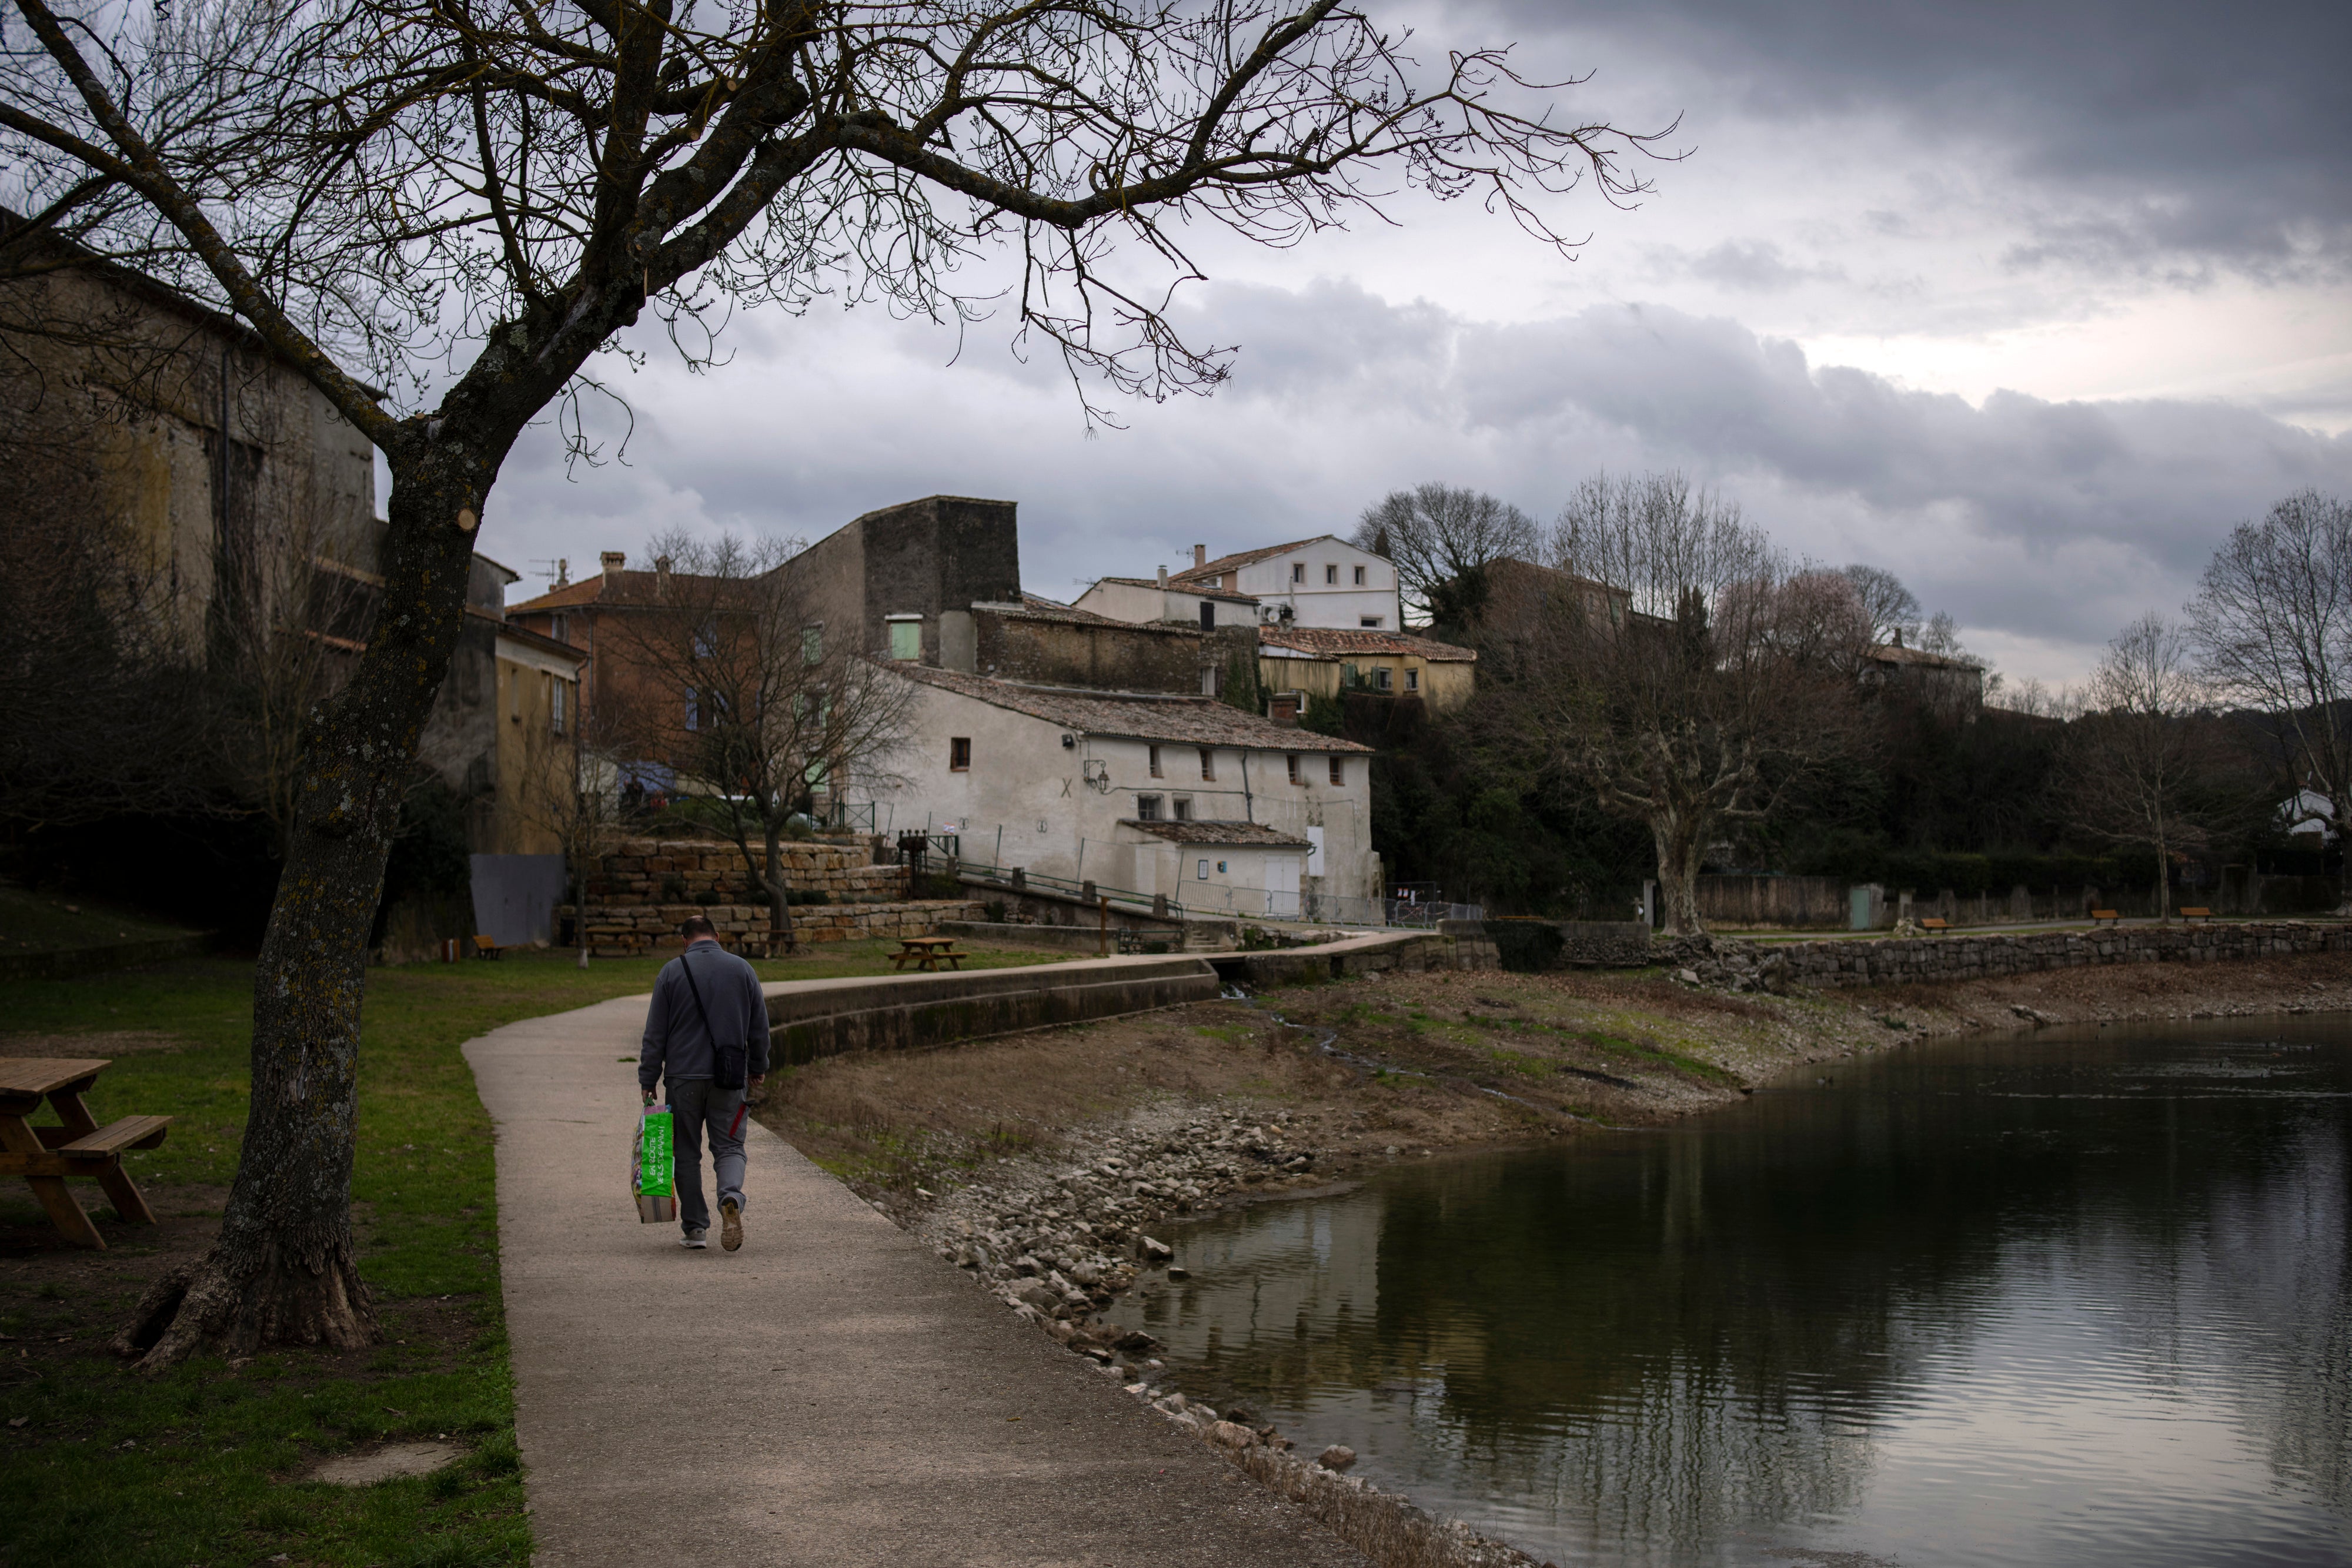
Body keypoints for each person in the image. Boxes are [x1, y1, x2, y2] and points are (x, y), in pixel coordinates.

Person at [639, 915, 771, 1251]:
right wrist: (758, 1066)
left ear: (684, 941)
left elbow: (655, 1033)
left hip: (683, 1079)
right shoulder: (743, 970)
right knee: (729, 1147)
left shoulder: (671, 972)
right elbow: (759, 1027)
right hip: (729, 1078)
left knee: (685, 1153)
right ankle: (730, 1198)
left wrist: (648, 1077)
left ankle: (695, 1229)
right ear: (717, 936)